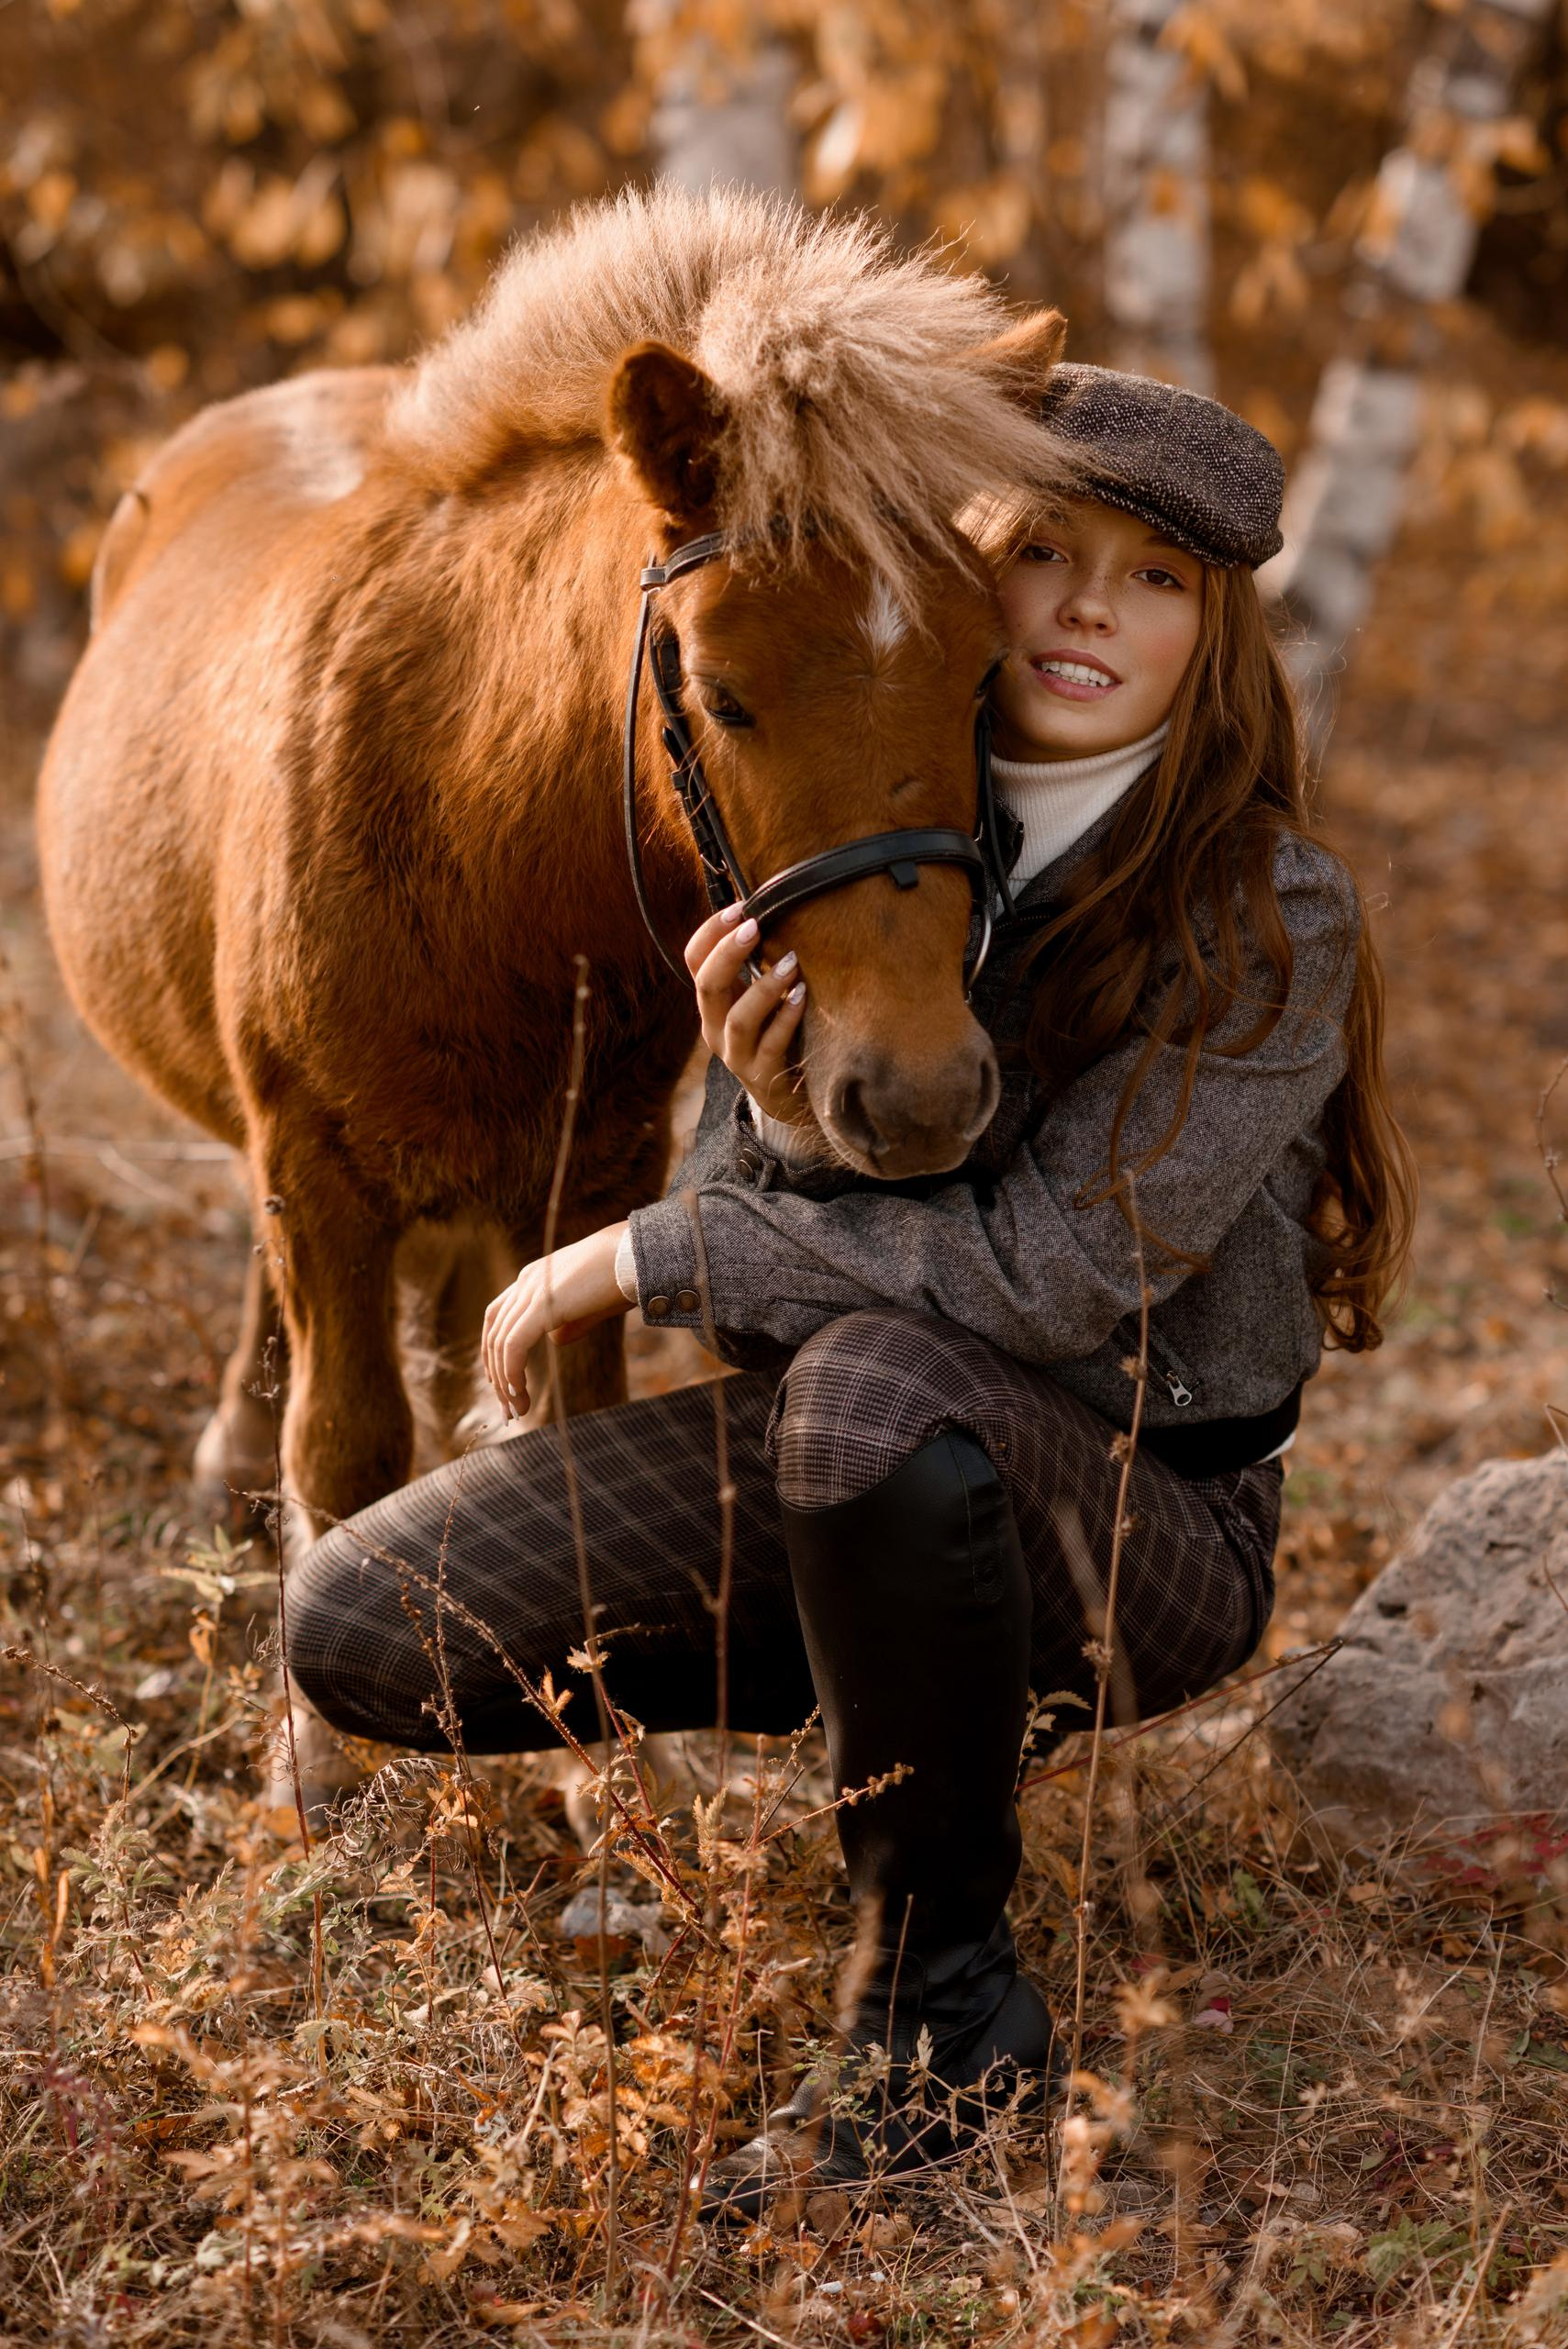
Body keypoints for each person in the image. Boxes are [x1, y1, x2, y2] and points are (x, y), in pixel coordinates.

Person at [286, 365, 1415, 2211]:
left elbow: (1053, 1277)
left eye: (1154, 580)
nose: (1081, 608)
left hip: (1148, 1519)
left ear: (1218, 632)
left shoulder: (1265, 908)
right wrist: (773, 1106)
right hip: (871, 1481)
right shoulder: (856, 802)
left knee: (885, 1382)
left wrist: (655, 1236)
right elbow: (760, 1342)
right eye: (1046, 551)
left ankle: (939, 2019)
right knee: (366, 1617)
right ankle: (902, 1677)